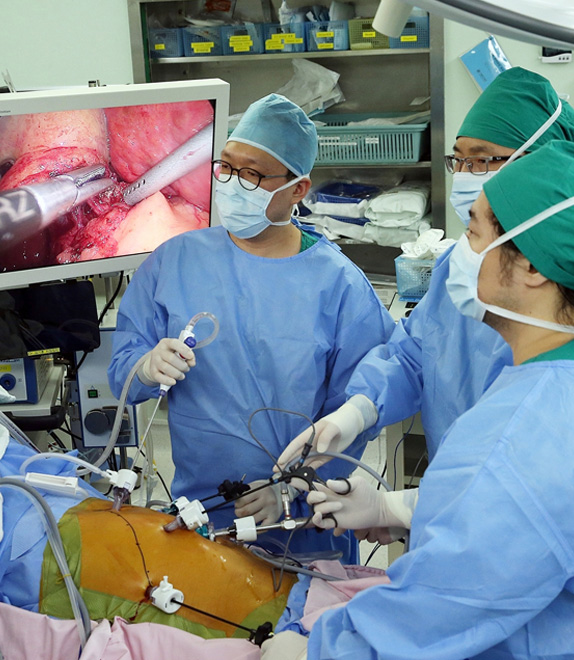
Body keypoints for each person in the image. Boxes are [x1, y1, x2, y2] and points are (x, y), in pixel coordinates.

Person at [262, 138, 574, 659]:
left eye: (473, 234)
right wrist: (400, 500)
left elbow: (436, 611)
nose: (457, 257)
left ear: (533, 267)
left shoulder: (523, 434)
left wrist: (314, 650)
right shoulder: (553, 386)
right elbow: (510, 531)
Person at [277, 67, 574, 540]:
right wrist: (355, 413)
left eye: (484, 160)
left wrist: (400, 507)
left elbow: (527, 484)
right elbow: (418, 351)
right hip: (455, 514)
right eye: (458, 159)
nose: (466, 176)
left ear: (539, 166)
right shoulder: (462, 267)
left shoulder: (559, 326)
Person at [107, 94, 394, 562]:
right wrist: (145, 367)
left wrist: (295, 486)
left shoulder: (339, 285)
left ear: (298, 189)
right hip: (201, 517)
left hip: (303, 526)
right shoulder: (174, 261)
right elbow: (122, 372)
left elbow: (358, 415)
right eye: (227, 167)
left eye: (253, 175)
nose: (233, 184)